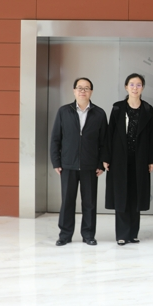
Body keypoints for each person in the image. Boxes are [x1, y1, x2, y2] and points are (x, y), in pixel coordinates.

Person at [50, 77, 108, 246]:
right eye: (80, 88)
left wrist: (101, 164)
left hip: (90, 166)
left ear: (91, 92)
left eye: (86, 88)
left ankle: (88, 234)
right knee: (67, 201)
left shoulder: (99, 113)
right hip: (68, 165)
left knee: (89, 203)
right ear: (74, 91)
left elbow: (105, 142)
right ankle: (65, 235)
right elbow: (55, 138)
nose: (83, 91)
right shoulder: (64, 111)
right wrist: (56, 162)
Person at [103, 73, 153, 246]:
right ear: (126, 87)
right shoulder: (117, 108)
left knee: (136, 196)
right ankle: (122, 234)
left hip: (140, 159)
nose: (135, 88)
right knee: (121, 196)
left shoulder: (147, 109)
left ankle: (133, 234)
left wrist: (152, 159)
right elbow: (110, 133)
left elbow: (152, 136)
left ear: (143, 88)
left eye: (138, 85)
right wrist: (106, 157)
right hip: (119, 159)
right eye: (132, 84)